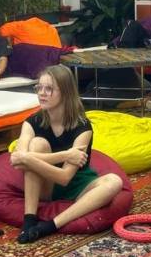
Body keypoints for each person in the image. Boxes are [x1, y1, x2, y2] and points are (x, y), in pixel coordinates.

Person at [10, 65, 124, 243]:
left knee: (115, 182)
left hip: (75, 182)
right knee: (38, 143)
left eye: (49, 89)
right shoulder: (32, 122)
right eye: (39, 87)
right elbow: (17, 159)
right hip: (46, 185)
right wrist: (64, 155)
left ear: (65, 92)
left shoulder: (82, 126)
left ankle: (50, 225)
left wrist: (26, 158)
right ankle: (29, 219)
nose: (42, 93)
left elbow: (64, 177)